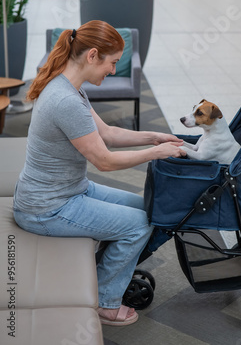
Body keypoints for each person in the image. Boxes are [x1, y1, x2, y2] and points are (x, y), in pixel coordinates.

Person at [13, 20, 185, 326]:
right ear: (93, 55)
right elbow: (104, 161)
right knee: (138, 225)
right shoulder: (65, 100)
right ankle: (105, 301)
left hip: (70, 190)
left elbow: (106, 133)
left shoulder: (70, 86)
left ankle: (100, 271)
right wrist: (157, 153)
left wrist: (154, 137)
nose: (114, 70)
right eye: (113, 62)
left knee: (146, 208)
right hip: (46, 208)